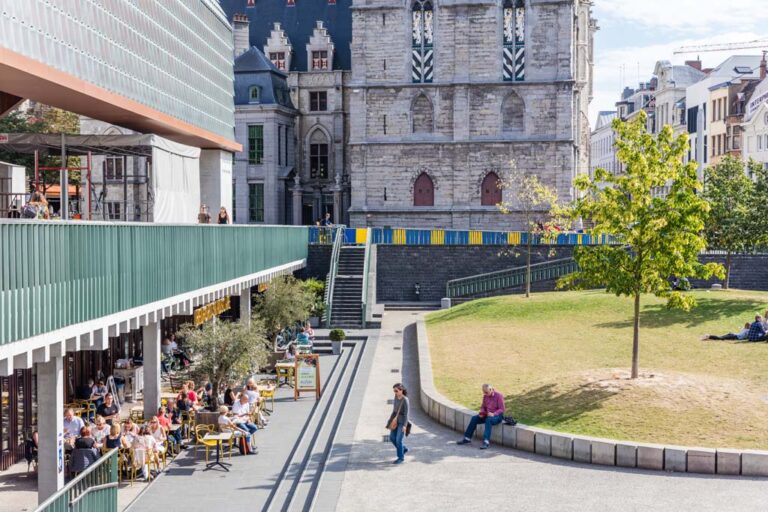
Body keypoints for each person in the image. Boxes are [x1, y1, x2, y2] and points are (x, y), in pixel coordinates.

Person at [457, 384, 505, 449]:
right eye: (484, 392)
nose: (485, 394)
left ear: (491, 389)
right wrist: (482, 412)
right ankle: (467, 438)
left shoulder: (499, 396)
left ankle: (486, 442)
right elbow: (483, 407)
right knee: (474, 418)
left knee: (489, 420)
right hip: (487, 414)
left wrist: (494, 414)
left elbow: (502, 409)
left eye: (486, 392)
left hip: (497, 416)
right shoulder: (485, 396)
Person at [386, 383, 410, 464]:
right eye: (394, 391)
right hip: (395, 421)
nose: (395, 392)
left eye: (396, 391)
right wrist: (390, 421)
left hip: (402, 422)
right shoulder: (396, 397)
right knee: (392, 438)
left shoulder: (405, 400)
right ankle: (403, 449)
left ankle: (401, 458)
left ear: (401, 390)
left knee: (398, 440)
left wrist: (404, 426)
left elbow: (407, 414)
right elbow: (394, 411)